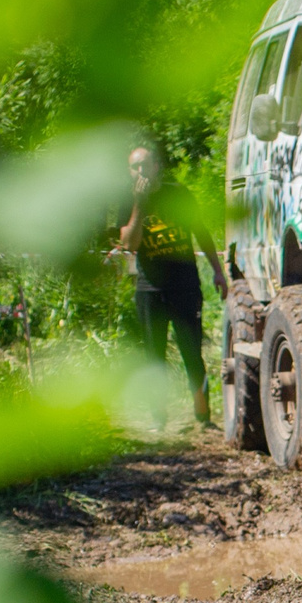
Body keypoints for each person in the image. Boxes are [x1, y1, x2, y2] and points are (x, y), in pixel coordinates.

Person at [119, 145, 228, 425]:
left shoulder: (179, 194)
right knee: (154, 357)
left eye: (146, 165)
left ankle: (203, 415)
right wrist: (140, 204)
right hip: (149, 290)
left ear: (157, 166)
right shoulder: (127, 201)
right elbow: (129, 244)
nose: (141, 171)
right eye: (135, 167)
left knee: (191, 351)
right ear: (130, 171)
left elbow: (201, 233)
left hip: (185, 286)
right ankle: (158, 417)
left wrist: (218, 271)